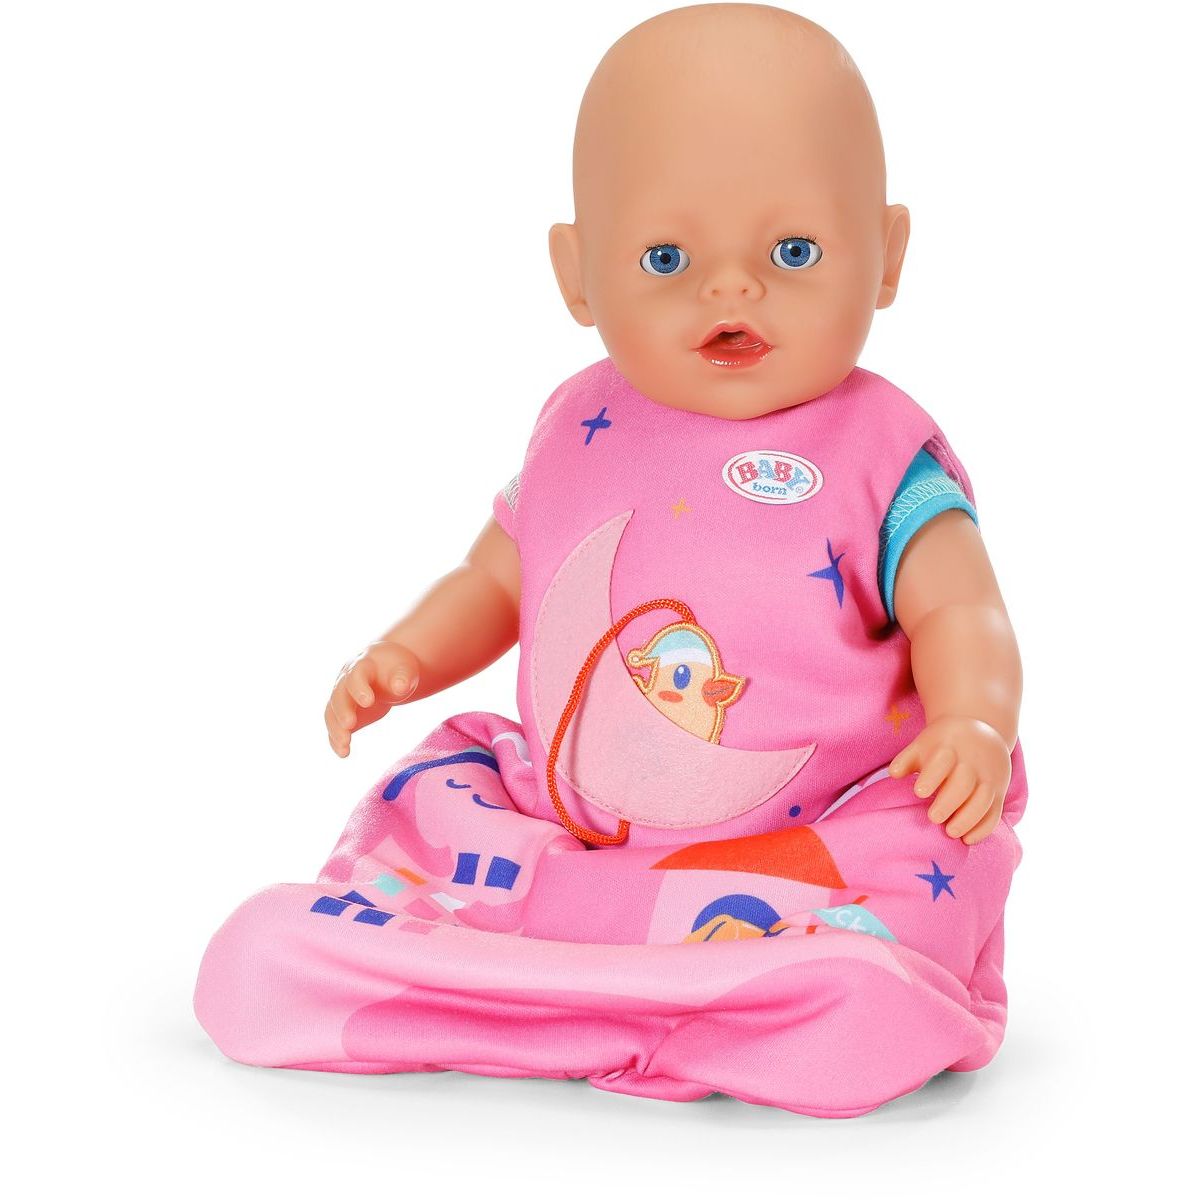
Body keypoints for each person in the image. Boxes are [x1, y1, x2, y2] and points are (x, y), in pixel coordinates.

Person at [196, 4, 1026, 1118]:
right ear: (578, 275)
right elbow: (497, 578)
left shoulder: (879, 453)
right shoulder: (579, 426)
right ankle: (642, 989)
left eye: (792, 252)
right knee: (402, 824)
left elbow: (962, 613)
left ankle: (714, 982)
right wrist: (406, 655)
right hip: (563, 837)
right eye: (666, 257)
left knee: (931, 849)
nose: (730, 290)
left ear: (888, 255)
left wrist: (974, 721)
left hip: (814, 847)